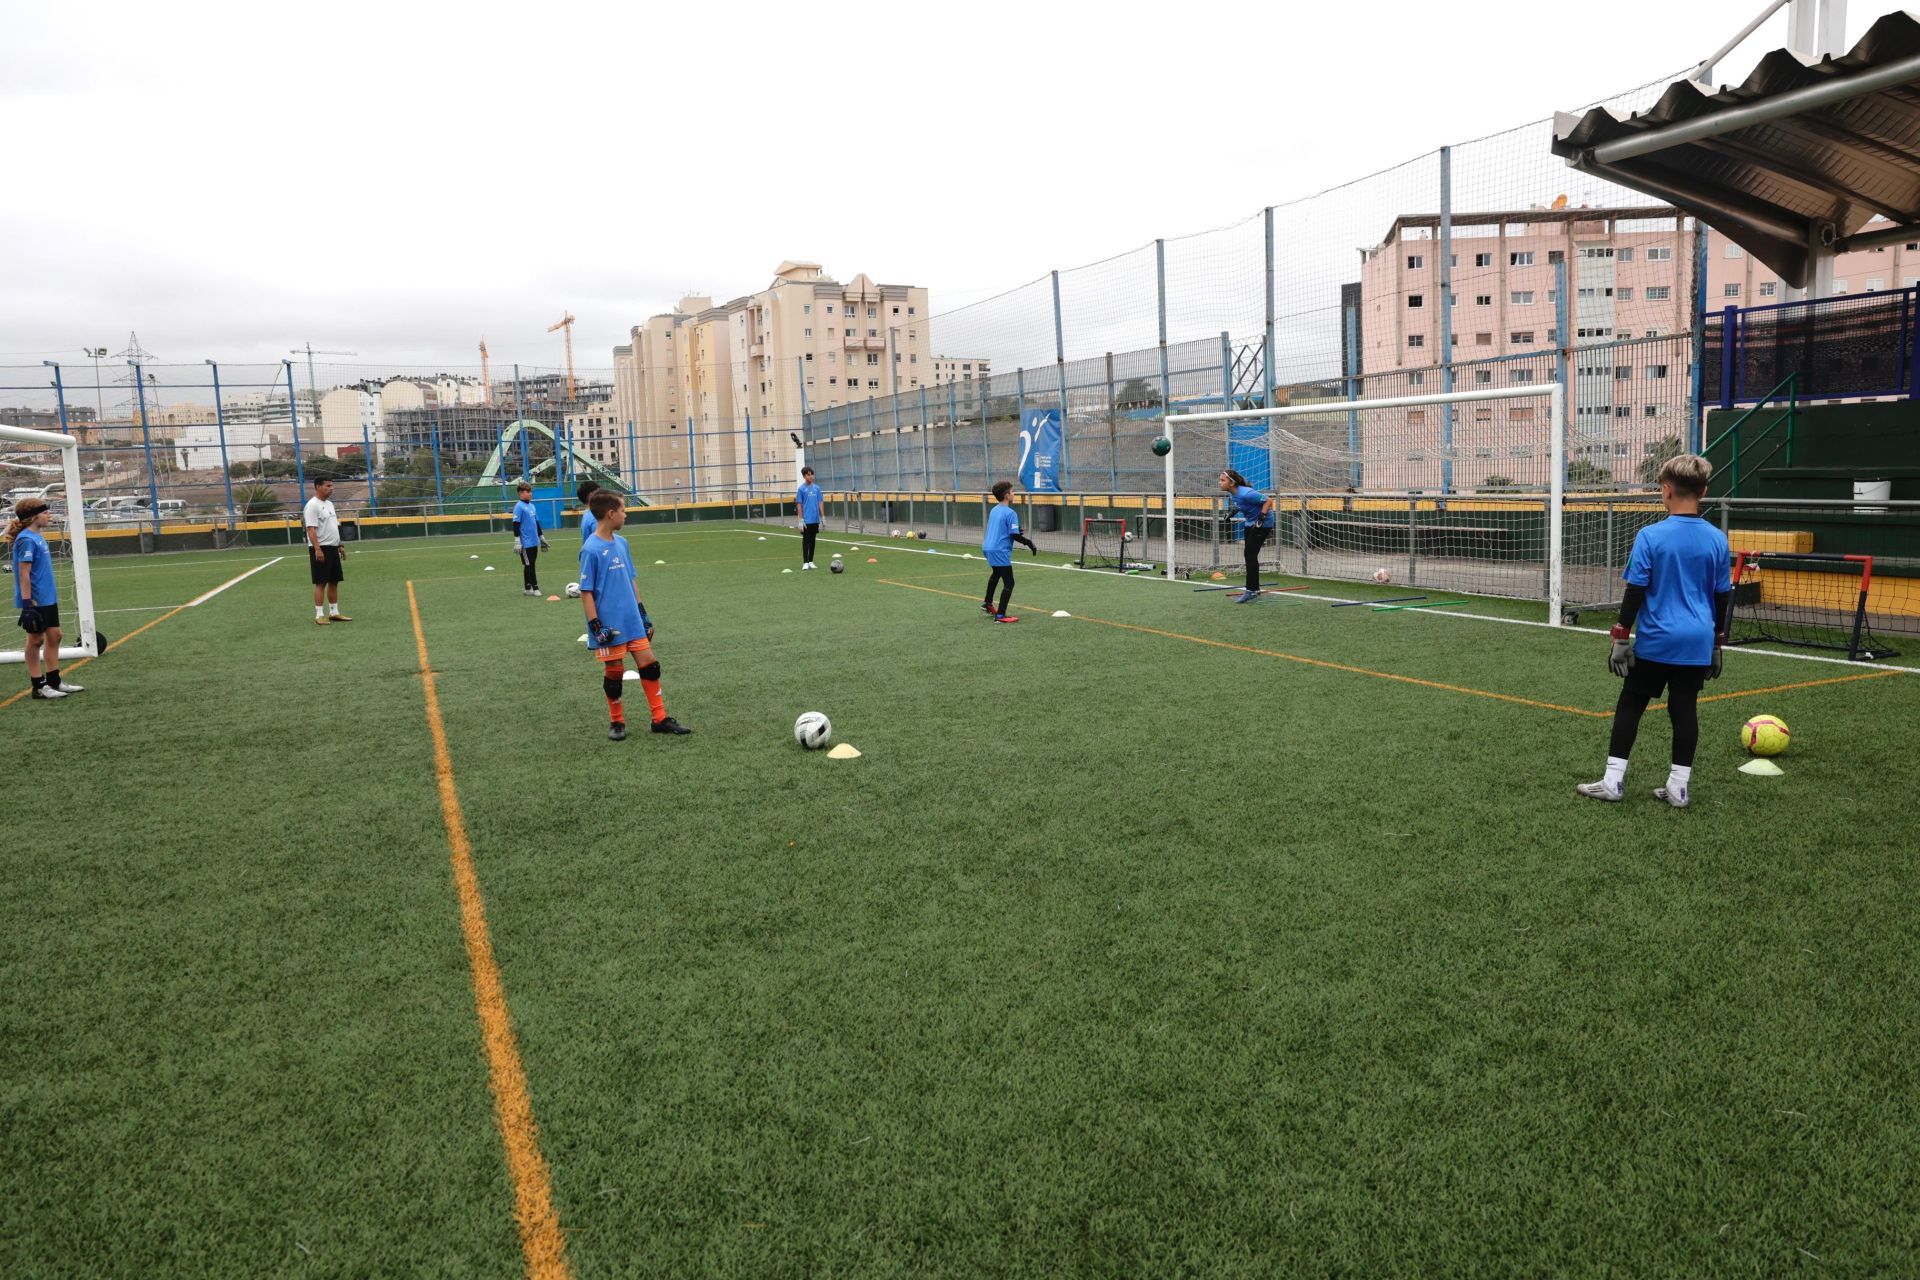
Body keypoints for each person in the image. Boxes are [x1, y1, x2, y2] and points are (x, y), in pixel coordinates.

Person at [1577, 453, 1731, 809]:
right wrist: (1717, 643)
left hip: (1658, 639)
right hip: (1697, 640)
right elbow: (1722, 596)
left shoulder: (1650, 536)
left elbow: (1636, 591)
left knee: (1631, 703)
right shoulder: (1717, 540)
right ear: (1703, 491)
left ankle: (1613, 782)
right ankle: (1678, 789)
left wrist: (1620, 636)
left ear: (1665, 491)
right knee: (1685, 709)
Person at [579, 491, 690, 741]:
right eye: (623, 510)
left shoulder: (622, 543)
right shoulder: (591, 549)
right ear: (611, 514)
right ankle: (617, 722)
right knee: (615, 672)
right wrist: (596, 625)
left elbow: (631, 579)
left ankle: (659, 719)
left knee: (650, 666)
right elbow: (586, 593)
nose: (625, 514)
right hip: (609, 626)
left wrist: (643, 614)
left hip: (632, 622)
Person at [9, 498, 83, 699]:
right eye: (45, 512)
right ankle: (39, 686)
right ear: (33, 516)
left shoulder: (38, 536)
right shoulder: (26, 539)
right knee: (35, 641)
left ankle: (54, 681)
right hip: (35, 601)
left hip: (48, 598)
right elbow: (24, 573)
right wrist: (27, 604)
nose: (49, 515)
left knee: (55, 636)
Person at [980, 480, 1037, 623]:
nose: (1014, 493)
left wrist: (1017, 532)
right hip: (999, 550)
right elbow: (1014, 535)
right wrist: (1029, 543)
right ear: (1006, 495)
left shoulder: (994, 510)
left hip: (988, 548)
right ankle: (1000, 615)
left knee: (996, 574)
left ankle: (987, 603)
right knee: (1009, 583)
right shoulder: (1011, 513)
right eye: (1012, 491)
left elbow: (1004, 529)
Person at [1220, 469, 1276, 603]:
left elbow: (1268, 501)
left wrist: (1261, 518)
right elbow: (1241, 505)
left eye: (1223, 480)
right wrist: (1232, 513)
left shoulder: (1246, 493)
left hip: (1263, 523)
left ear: (1232, 483)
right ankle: (1254, 589)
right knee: (1249, 554)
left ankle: (1251, 590)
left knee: (1250, 555)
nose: (1220, 482)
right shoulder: (1234, 494)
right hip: (1250, 522)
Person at [304, 477, 351, 625]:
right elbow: (310, 528)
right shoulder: (312, 505)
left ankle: (334, 613)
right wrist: (317, 549)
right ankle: (319, 615)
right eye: (328, 485)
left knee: (334, 581)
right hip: (321, 548)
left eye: (332, 485)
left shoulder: (329, 504)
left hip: (333, 547)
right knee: (321, 582)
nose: (332, 488)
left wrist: (340, 544)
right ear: (318, 487)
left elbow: (333, 526)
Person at [511, 482, 549, 597]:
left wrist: (542, 538)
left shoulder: (532, 506)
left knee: (530, 564)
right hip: (525, 543)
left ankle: (527, 588)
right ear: (521, 493)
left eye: (530, 491)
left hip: (534, 541)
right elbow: (515, 524)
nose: (530, 494)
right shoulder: (518, 506)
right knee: (530, 565)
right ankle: (535, 587)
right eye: (528, 492)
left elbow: (536, 523)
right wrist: (517, 541)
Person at [796, 466, 823, 569]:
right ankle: (805, 562)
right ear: (804, 476)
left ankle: (811, 561)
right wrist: (801, 520)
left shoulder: (817, 488)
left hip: (815, 519)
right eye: (808, 474)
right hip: (806, 520)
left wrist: (823, 517)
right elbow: (799, 505)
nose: (811, 476)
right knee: (805, 540)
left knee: (813, 540)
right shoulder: (801, 489)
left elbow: (820, 502)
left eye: (812, 474)